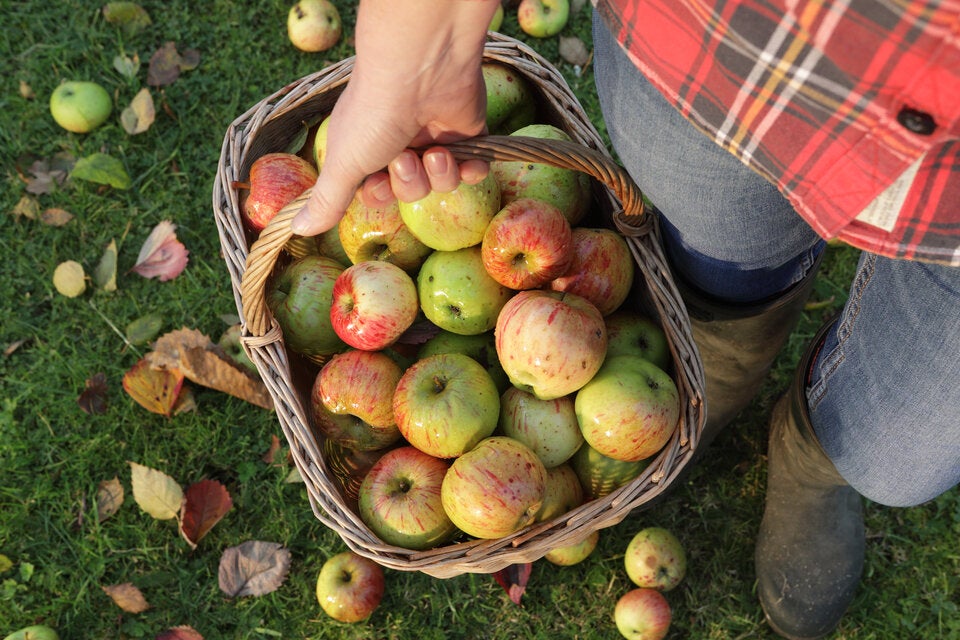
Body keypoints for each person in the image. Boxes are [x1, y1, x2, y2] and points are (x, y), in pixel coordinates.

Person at [290, 2, 960, 638]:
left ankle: (814, 456)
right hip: (729, 47)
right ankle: (718, 368)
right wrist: (418, 53)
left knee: (896, 458)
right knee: (721, 257)